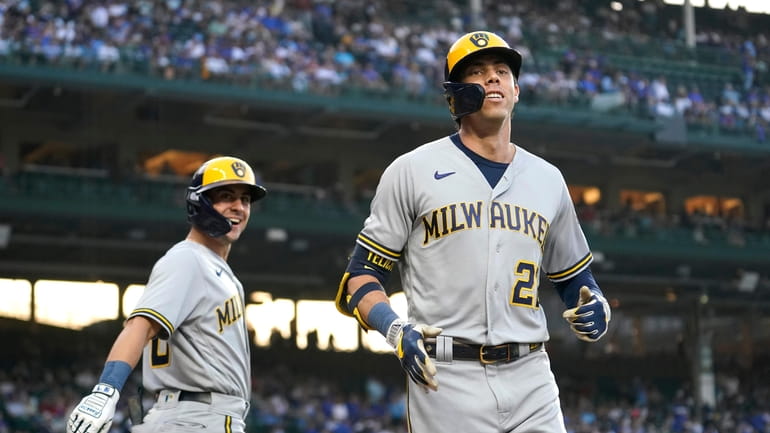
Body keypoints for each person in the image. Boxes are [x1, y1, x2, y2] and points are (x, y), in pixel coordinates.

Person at [334, 31, 611, 432]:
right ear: (455, 95)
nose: (493, 79)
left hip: (531, 375)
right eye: (478, 73)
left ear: (516, 90)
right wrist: (395, 330)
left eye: (502, 71)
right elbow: (359, 277)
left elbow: (575, 278)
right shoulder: (412, 170)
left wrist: (598, 304)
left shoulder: (548, 179)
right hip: (445, 376)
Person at [67, 156, 266, 433]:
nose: (239, 207)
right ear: (201, 203)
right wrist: (106, 390)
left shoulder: (214, 268)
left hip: (193, 417)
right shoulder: (188, 259)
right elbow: (141, 326)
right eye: (226, 196)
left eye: (245, 199)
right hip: (196, 419)